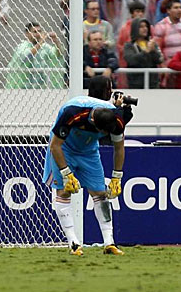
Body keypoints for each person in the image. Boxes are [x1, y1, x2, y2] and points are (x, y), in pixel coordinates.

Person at [43, 92, 132, 256]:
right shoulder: (72, 113)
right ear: (93, 123)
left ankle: (109, 243)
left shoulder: (117, 119)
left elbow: (119, 148)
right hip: (64, 148)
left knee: (100, 193)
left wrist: (116, 177)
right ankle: (73, 243)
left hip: (89, 152)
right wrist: (66, 173)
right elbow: (55, 145)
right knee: (64, 191)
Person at [6, 23, 65, 89]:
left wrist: (56, 41)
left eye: (39, 31)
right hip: (23, 88)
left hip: (41, 88)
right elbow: (27, 57)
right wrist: (41, 41)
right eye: (35, 32)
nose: (38, 34)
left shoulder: (45, 47)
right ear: (27, 34)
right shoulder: (22, 46)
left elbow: (58, 55)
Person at [125, 18, 164, 88]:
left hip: (153, 83)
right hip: (136, 84)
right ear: (135, 29)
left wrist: (153, 51)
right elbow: (131, 60)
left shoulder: (152, 44)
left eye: (146, 26)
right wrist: (146, 52)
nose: (145, 29)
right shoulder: (129, 46)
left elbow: (160, 59)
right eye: (141, 27)